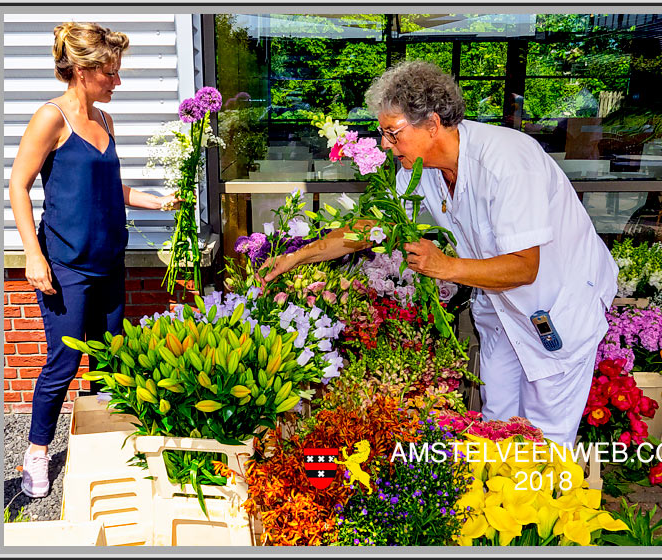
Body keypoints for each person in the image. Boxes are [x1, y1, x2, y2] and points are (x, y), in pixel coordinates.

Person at [262, 61, 618, 448]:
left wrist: (444, 266)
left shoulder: (508, 162)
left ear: (432, 124)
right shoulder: (422, 168)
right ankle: (497, 503)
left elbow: (525, 268)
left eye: (392, 134)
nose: (385, 145)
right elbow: (370, 227)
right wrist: (299, 256)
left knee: (545, 438)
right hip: (503, 309)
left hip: (557, 303)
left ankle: (543, 505)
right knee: (497, 425)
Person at [9, 22, 180, 498]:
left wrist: (159, 201)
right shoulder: (51, 118)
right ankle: (36, 455)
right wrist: (33, 256)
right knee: (62, 363)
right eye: (110, 73)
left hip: (109, 261)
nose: (117, 83)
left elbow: (108, 189)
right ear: (82, 71)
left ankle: (106, 442)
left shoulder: (105, 122)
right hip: (66, 264)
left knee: (110, 359)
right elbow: (17, 186)